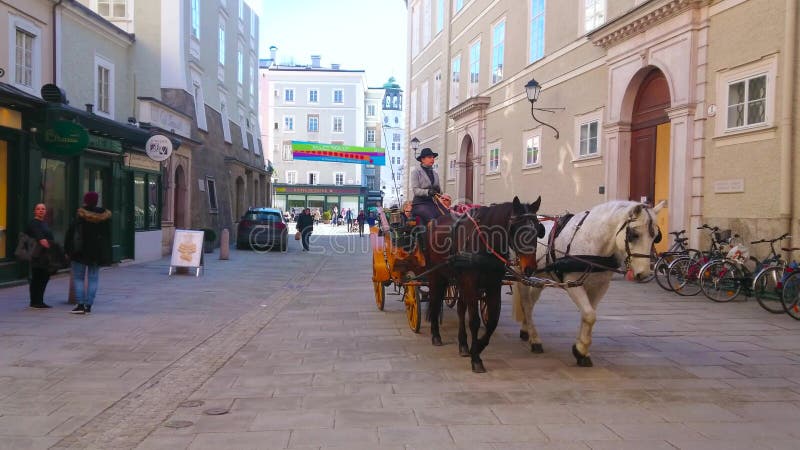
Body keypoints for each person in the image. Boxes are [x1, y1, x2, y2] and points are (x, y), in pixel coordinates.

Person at [65, 192, 112, 314]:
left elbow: (72, 233)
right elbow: (107, 236)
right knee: (93, 279)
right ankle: (89, 305)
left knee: (79, 278)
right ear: (96, 201)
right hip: (96, 252)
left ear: (85, 200)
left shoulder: (80, 214)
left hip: (80, 251)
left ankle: (80, 305)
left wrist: (67, 249)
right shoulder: (104, 216)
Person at [25, 203, 55, 309]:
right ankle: (35, 302)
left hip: (44, 255)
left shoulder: (44, 223)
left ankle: (39, 300)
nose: (41, 210)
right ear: (35, 211)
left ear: (45, 211)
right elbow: (41, 239)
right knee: (38, 277)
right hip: (37, 255)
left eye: (43, 209)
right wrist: (48, 245)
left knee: (44, 277)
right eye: (38, 209)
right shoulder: (33, 223)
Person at [410, 147, 444, 224]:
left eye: (433, 157)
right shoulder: (416, 172)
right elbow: (415, 190)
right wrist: (428, 192)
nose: (432, 159)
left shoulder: (435, 174)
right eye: (429, 157)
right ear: (422, 159)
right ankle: (429, 235)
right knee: (431, 217)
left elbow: (439, 190)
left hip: (432, 203)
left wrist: (439, 192)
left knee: (446, 214)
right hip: (420, 204)